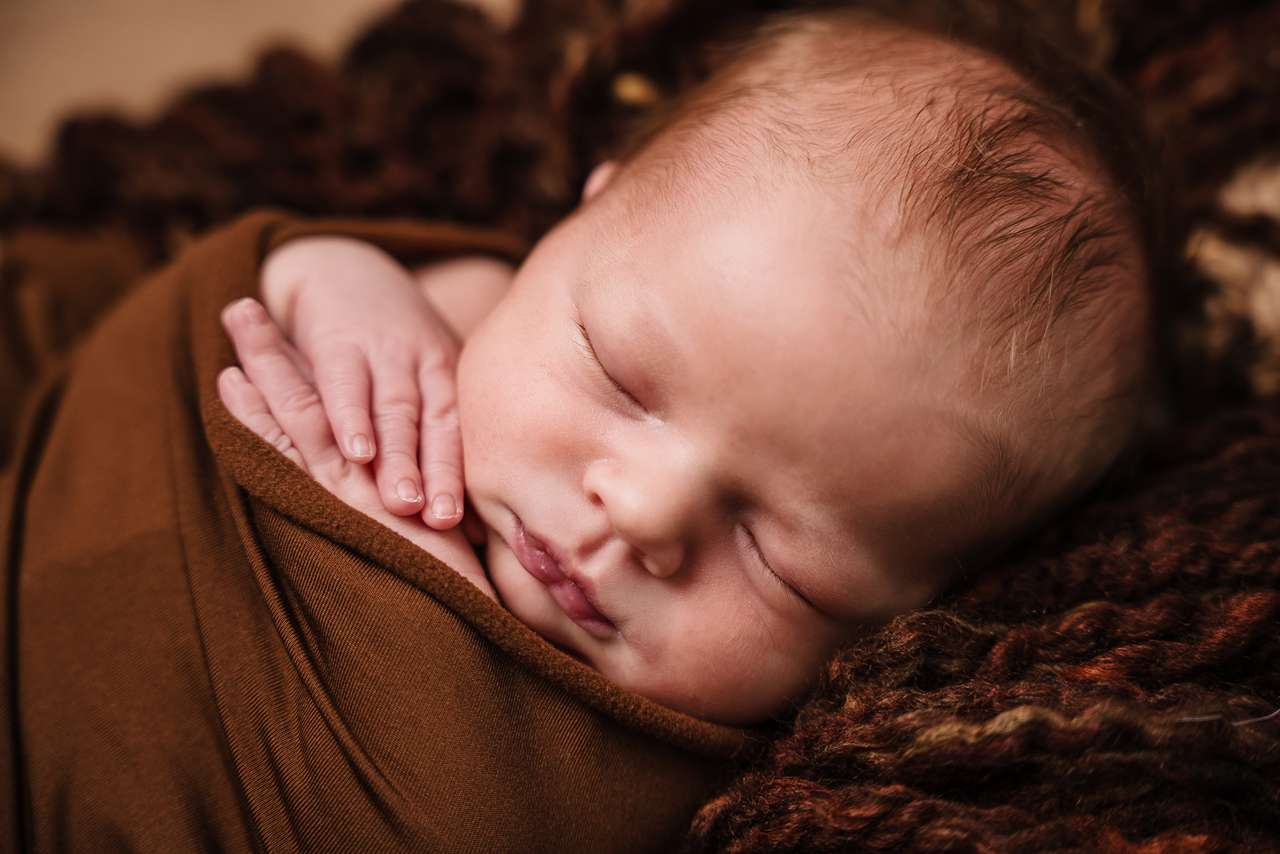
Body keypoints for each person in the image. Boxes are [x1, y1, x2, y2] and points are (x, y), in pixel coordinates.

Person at [217, 8, 1153, 727]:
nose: (643, 513)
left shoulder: (700, 770)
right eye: (618, 375)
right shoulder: (467, 303)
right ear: (579, 217)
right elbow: (233, 295)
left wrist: (411, 604)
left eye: (782, 561)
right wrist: (339, 279)